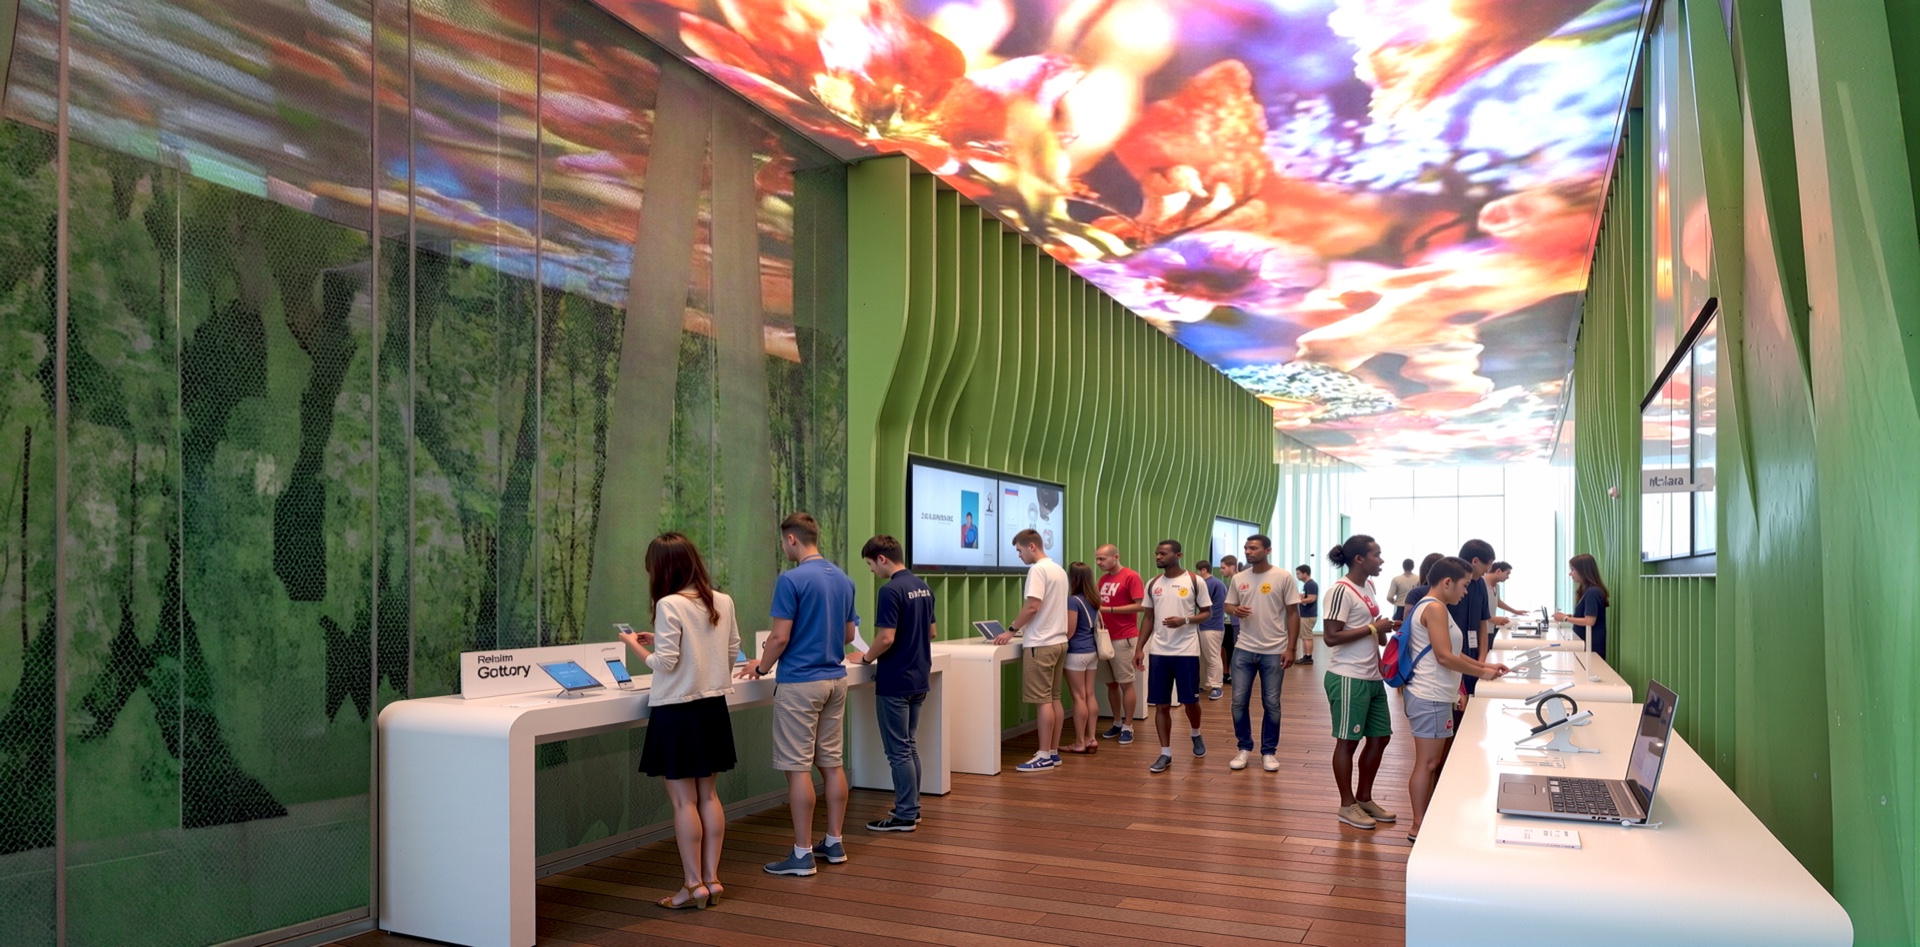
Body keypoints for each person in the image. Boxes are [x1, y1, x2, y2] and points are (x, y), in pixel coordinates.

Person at [619, 533, 741, 909]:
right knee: (708, 795)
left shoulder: (670, 603)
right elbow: (730, 647)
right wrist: (661, 639)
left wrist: (633, 643)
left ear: (663, 568)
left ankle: (691, 885)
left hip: (677, 712)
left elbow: (664, 663)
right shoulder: (721, 600)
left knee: (683, 802)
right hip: (713, 708)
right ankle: (712, 880)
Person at [738, 512, 858, 877]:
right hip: (836, 681)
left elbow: (779, 637)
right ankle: (834, 842)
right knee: (832, 764)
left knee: (797, 768)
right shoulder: (843, 578)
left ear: (791, 539)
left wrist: (760, 668)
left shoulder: (790, 580)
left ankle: (802, 853)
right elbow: (849, 635)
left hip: (800, 683)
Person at [1403, 557, 1512, 844]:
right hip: (1430, 694)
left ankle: (1425, 820)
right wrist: (1480, 672)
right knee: (1427, 763)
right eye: (1464, 585)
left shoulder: (1437, 607)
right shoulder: (1435, 608)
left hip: (1436, 693)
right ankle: (1418, 825)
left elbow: (1452, 652)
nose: (1466, 592)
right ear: (1447, 582)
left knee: (1432, 762)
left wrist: (1485, 668)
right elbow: (1444, 657)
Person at [853, 535, 934, 832]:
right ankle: (911, 807)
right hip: (919, 677)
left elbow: (886, 637)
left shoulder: (890, 591)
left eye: (870, 564)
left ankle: (905, 815)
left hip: (895, 679)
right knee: (909, 746)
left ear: (882, 559)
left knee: (898, 750)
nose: (872, 571)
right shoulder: (922, 586)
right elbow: (932, 632)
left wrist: (864, 658)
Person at [1320, 535, 1399, 830]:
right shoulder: (1340, 591)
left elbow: (1370, 629)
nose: (1381, 560)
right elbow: (1330, 637)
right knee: (1348, 741)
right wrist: (1372, 627)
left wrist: (1383, 630)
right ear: (1359, 559)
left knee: (1381, 737)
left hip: (1372, 676)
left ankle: (1364, 798)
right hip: (1348, 677)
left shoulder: (1369, 586)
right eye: (1377, 555)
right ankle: (1347, 804)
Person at [1223, 534, 1300, 773]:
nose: (1248, 551)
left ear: (1267, 550)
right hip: (1244, 649)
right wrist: (1235, 609)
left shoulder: (1283, 576)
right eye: (1246, 548)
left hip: (1274, 650)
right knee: (1238, 701)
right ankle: (1244, 748)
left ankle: (1269, 752)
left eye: (1253, 548)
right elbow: (1228, 605)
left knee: (1272, 703)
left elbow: (1293, 613)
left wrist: (1291, 647)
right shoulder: (1238, 578)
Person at [994, 528, 1070, 772]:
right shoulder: (1058, 569)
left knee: (1041, 701)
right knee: (1054, 697)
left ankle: (1044, 754)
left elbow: (1032, 607)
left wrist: (1011, 630)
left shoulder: (1037, 570)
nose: (1019, 556)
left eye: (1019, 550)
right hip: (1059, 641)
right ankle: (1054, 752)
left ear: (1032, 546)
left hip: (1041, 643)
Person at [1136, 540, 1212, 773]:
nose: (1158, 557)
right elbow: (1148, 618)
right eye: (1156, 553)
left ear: (1178, 555)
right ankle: (1165, 753)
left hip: (1187, 652)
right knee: (1161, 705)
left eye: (1163, 553)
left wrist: (1185, 620)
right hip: (1159, 652)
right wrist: (1140, 648)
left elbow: (1207, 613)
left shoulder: (1194, 581)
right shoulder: (1153, 584)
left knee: (1190, 702)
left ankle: (1196, 734)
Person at [1094, 544, 1145, 744]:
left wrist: (1110, 609)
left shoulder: (1131, 576)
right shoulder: (1103, 579)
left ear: (1115, 557)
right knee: (1111, 684)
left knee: (1126, 683)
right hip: (1104, 637)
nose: (1098, 563)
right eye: (1097, 559)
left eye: (1102, 559)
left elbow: (1140, 605)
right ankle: (1116, 721)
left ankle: (1128, 725)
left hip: (1123, 637)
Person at [1061, 561, 1104, 754]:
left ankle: (1079, 742)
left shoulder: (1073, 601)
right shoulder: (1094, 599)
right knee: (1089, 695)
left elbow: (1069, 632)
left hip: (1076, 653)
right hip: (1092, 652)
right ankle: (1091, 738)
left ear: (1074, 579)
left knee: (1078, 698)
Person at [1451, 540, 1497, 681]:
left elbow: (1482, 622)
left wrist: (1482, 658)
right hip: (1452, 654)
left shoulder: (1481, 584)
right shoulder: (1450, 584)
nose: (1488, 570)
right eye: (1488, 564)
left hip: (1473, 653)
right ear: (1475, 561)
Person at [1554, 553, 1611, 659]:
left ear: (1583, 571)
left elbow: (1589, 621)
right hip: (1585, 643)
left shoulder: (1592, 592)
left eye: (1573, 570)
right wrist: (1569, 616)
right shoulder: (1587, 590)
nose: (1570, 574)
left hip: (1591, 647)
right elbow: (1586, 615)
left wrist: (1565, 618)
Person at [1195, 561, 1229, 700]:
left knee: (1213, 656)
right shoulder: (1211, 584)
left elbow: (1218, 606)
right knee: (1202, 657)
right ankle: (1203, 684)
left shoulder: (1213, 584)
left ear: (1203, 570)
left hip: (1212, 626)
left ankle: (1216, 686)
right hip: (1203, 626)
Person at [1218, 555, 1241, 672]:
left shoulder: (1238, 580)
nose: (1221, 571)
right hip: (1234, 620)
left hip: (1239, 621)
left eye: (1223, 568)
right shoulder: (1233, 580)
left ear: (1232, 566)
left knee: (1239, 649)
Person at [1295, 565, 1320, 665]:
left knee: (1307, 636)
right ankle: (1305, 655)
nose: (1297, 576)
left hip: (1308, 615)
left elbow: (1311, 599)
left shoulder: (1311, 584)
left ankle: (1308, 657)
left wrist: (1298, 600)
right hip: (1305, 614)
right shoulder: (1307, 585)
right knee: (1304, 636)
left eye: (1298, 573)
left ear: (1305, 573)